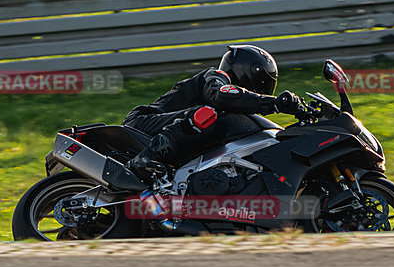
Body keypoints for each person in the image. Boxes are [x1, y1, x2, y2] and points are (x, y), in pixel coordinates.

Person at [123, 44, 302, 180]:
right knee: (206, 114)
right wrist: (273, 103)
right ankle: (144, 159)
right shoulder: (215, 77)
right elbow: (222, 96)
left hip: (174, 132)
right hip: (142, 123)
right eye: (262, 81)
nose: (263, 89)